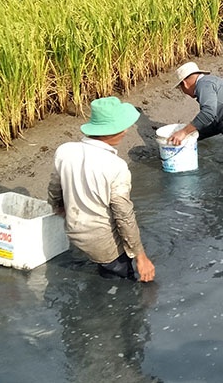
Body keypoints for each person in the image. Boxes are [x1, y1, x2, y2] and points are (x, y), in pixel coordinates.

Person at [48, 97, 156, 282]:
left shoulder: (65, 151)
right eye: (124, 127)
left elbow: (54, 189)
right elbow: (124, 216)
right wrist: (141, 257)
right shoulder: (116, 167)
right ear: (115, 131)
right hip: (104, 244)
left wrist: (59, 207)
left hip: (73, 232)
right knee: (122, 286)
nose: (126, 130)